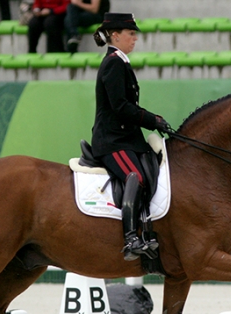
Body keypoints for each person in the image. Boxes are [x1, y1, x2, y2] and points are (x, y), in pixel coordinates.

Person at [91, 13, 172, 261]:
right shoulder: (114, 62)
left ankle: (146, 228)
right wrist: (152, 119)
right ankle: (130, 238)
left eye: (135, 33)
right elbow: (120, 107)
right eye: (130, 33)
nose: (135, 38)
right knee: (133, 175)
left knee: (150, 171)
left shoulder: (122, 62)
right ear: (115, 35)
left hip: (127, 139)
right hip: (112, 140)